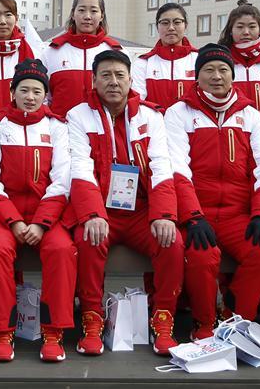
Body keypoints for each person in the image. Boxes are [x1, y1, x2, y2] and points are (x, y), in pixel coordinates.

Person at [67, 50, 183, 356]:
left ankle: (163, 319)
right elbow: (79, 168)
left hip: (141, 209)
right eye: (105, 75)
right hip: (103, 207)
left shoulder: (150, 116)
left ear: (131, 79)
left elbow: (161, 166)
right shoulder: (78, 115)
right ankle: (92, 319)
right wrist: (93, 213)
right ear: (93, 80)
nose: (113, 82)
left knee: (172, 241)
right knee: (87, 239)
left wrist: (165, 215)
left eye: (120, 75)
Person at [165, 44, 260, 337]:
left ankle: (236, 313)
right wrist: (192, 216)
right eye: (209, 70)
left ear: (232, 76)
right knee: (203, 258)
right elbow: (178, 168)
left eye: (223, 70)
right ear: (197, 75)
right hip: (198, 213)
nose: (216, 76)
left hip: (236, 214)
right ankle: (203, 324)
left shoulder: (250, 115)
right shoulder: (178, 112)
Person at [0, 59, 76, 362]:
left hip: (47, 216)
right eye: (24, 90)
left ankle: (53, 331)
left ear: (45, 95)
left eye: (37, 91)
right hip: (7, 216)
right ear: (12, 91)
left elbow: (62, 180)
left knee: (62, 249)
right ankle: (2, 331)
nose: (30, 97)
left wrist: (42, 223)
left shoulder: (57, 127)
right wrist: (14, 221)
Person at [42, 0, 122, 117]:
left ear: (102, 16)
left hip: (102, 131)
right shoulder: (51, 52)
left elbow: (125, 95)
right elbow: (42, 97)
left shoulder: (116, 52)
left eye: (94, 11)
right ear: (73, 14)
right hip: (62, 130)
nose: (87, 16)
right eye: (81, 10)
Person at [218, 0, 260, 117]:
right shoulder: (221, 64)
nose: (246, 32)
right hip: (234, 131)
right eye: (239, 27)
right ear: (230, 31)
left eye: (252, 26)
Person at [131, 3, 198, 109]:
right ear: (157, 27)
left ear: (185, 26)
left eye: (177, 22)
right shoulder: (143, 62)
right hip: (155, 124)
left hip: (191, 125)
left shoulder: (199, 60)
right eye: (165, 23)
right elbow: (138, 102)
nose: (171, 28)